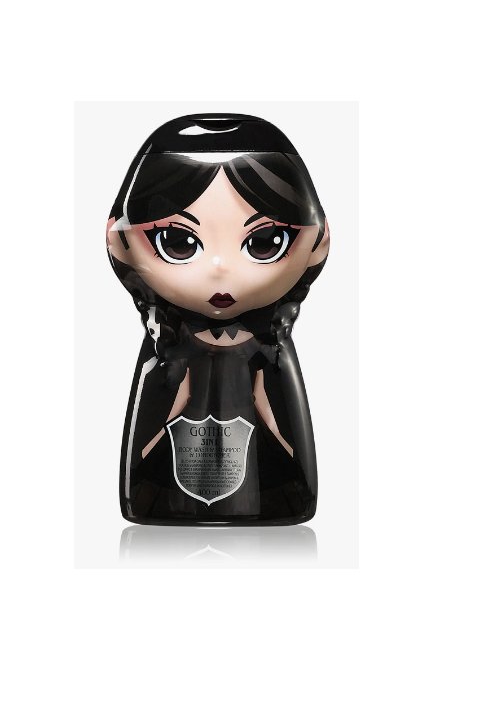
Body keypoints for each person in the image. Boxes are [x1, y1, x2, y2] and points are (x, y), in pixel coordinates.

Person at [106, 113, 330, 525]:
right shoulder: (165, 345)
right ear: (120, 242)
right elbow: (152, 433)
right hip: (162, 503)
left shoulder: (269, 345)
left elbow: (282, 431)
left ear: (317, 242)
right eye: (178, 242)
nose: (220, 267)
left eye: (264, 242)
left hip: (273, 502)